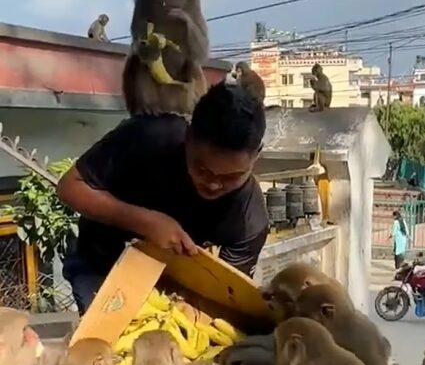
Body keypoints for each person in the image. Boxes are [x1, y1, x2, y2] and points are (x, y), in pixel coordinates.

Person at [57, 81, 269, 314]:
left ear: (256, 157)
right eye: (202, 168)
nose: (213, 183)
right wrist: (146, 222)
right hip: (101, 265)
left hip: (174, 288)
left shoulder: (249, 221)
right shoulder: (147, 137)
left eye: (231, 177)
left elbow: (226, 298)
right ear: (188, 137)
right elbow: (69, 187)